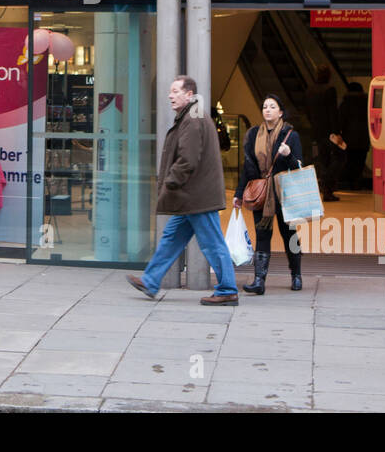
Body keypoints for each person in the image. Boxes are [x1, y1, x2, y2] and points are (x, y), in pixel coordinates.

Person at [127, 75, 240, 306]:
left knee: (212, 242)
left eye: (176, 91)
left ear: (189, 94)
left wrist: (170, 182)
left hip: (198, 196)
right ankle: (151, 280)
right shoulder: (191, 116)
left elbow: (188, 160)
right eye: (170, 91)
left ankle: (228, 289)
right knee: (171, 238)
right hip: (193, 196)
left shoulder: (193, 118)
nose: (170, 95)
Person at [233, 94, 304, 293]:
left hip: (284, 192)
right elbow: (247, 167)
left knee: (289, 233)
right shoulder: (254, 134)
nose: (268, 110)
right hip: (261, 192)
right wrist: (239, 193)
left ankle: (296, 275)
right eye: (265, 107)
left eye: (272, 106)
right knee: (262, 234)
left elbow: (299, 166)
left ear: (280, 112)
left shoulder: (291, 135)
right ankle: (259, 280)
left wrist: (289, 155)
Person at [304, 65, 341, 202]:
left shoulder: (310, 91)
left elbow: (308, 111)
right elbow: (333, 113)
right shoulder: (330, 90)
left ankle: (326, 188)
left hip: (317, 130)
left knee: (323, 158)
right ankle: (327, 184)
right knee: (339, 157)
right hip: (329, 131)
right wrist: (336, 132)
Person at [337, 80, 370, 189]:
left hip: (349, 138)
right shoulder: (367, 103)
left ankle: (348, 182)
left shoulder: (345, 104)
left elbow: (341, 121)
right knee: (360, 161)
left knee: (350, 160)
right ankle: (357, 181)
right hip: (364, 137)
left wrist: (339, 133)